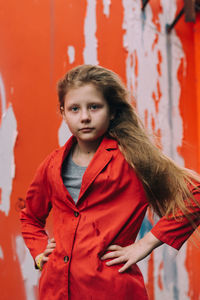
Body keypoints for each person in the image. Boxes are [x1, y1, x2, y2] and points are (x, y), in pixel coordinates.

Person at [20, 64, 200, 300]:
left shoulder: (133, 159)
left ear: (112, 111)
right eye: (74, 109)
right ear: (63, 112)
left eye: (94, 107)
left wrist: (145, 245)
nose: (84, 117)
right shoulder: (51, 165)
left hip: (112, 289)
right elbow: (30, 217)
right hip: (56, 290)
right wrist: (39, 251)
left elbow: (195, 193)